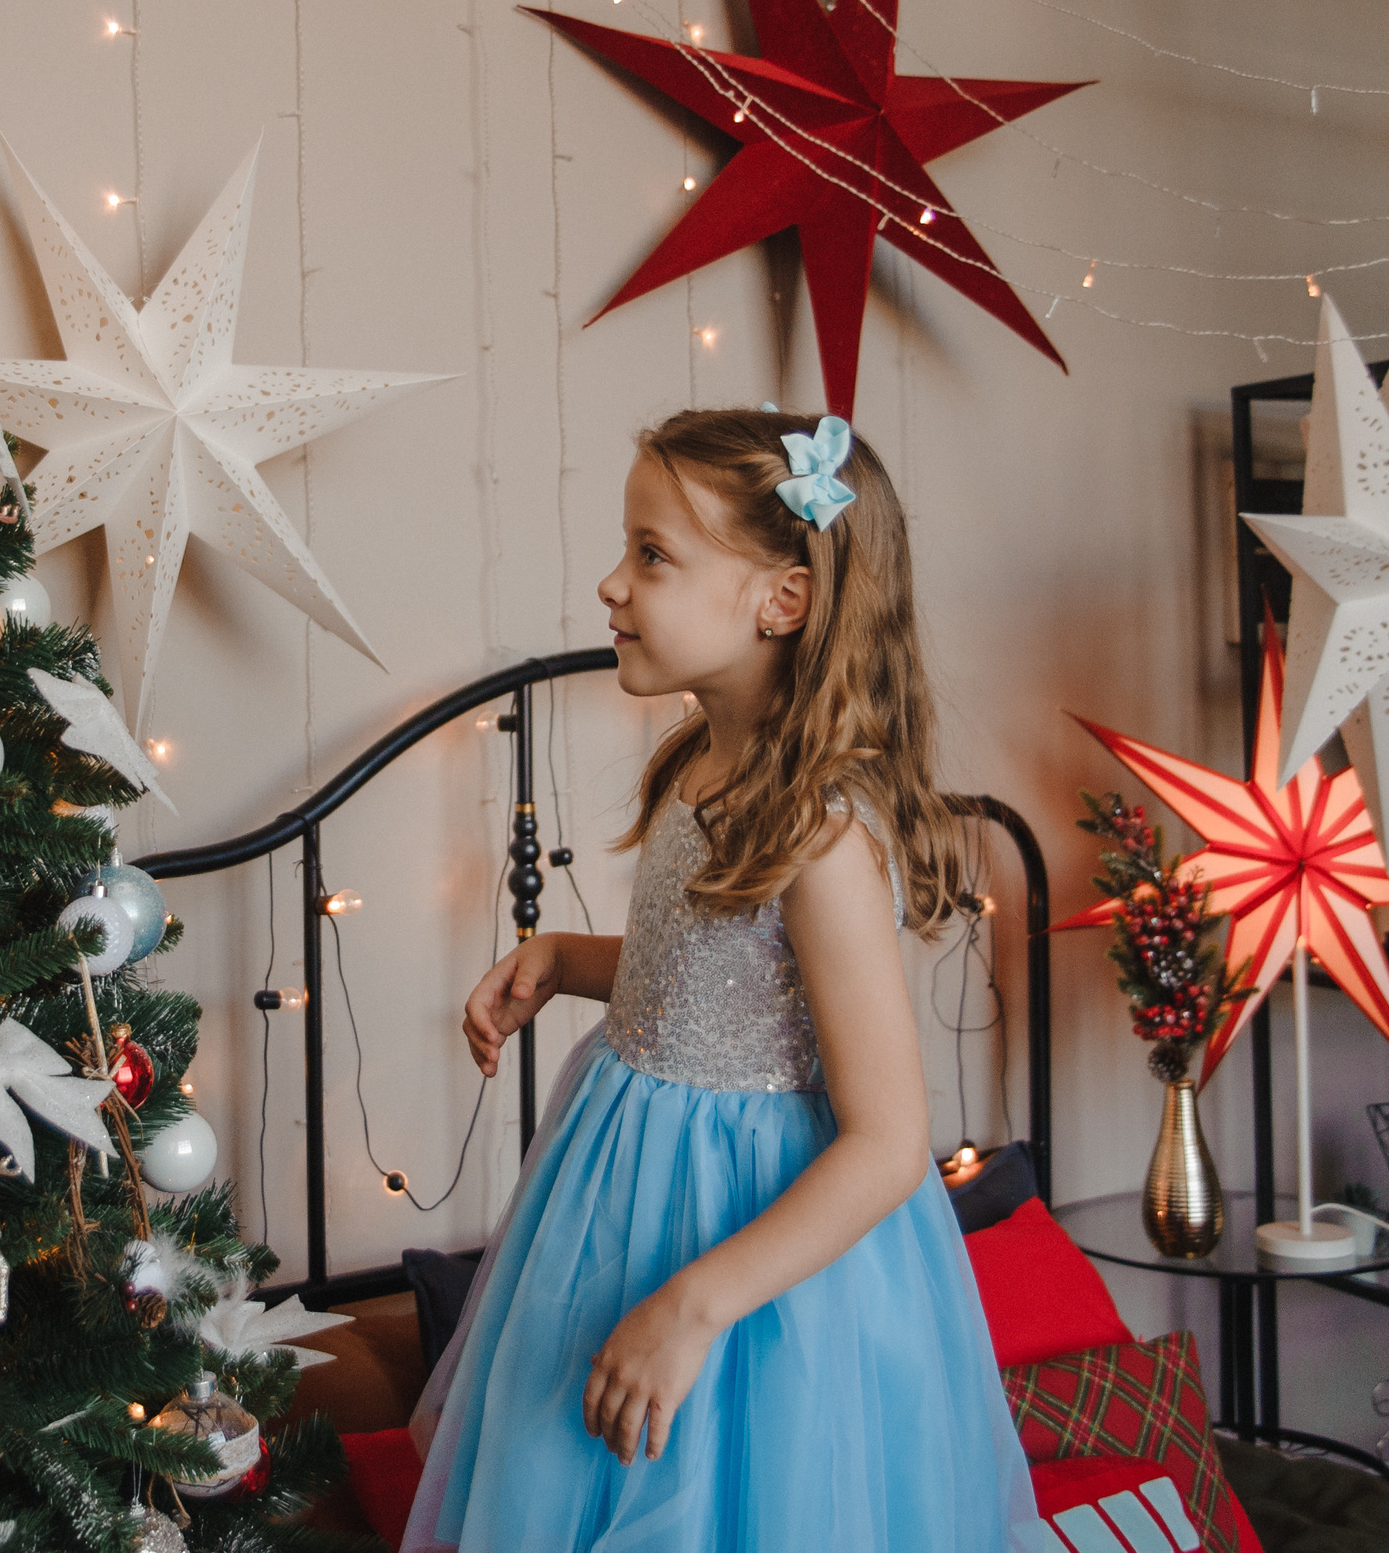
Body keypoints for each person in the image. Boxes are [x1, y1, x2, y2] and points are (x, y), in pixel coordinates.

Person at [404, 409, 1032, 1551]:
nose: (611, 584)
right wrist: (566, 960)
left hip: (755, 1265)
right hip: (619, 1208)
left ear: (781, 600)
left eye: (651, 555)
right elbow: (712, 987)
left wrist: (694, 1309)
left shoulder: (823, 837)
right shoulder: (699, 762)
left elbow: (890, 1142)